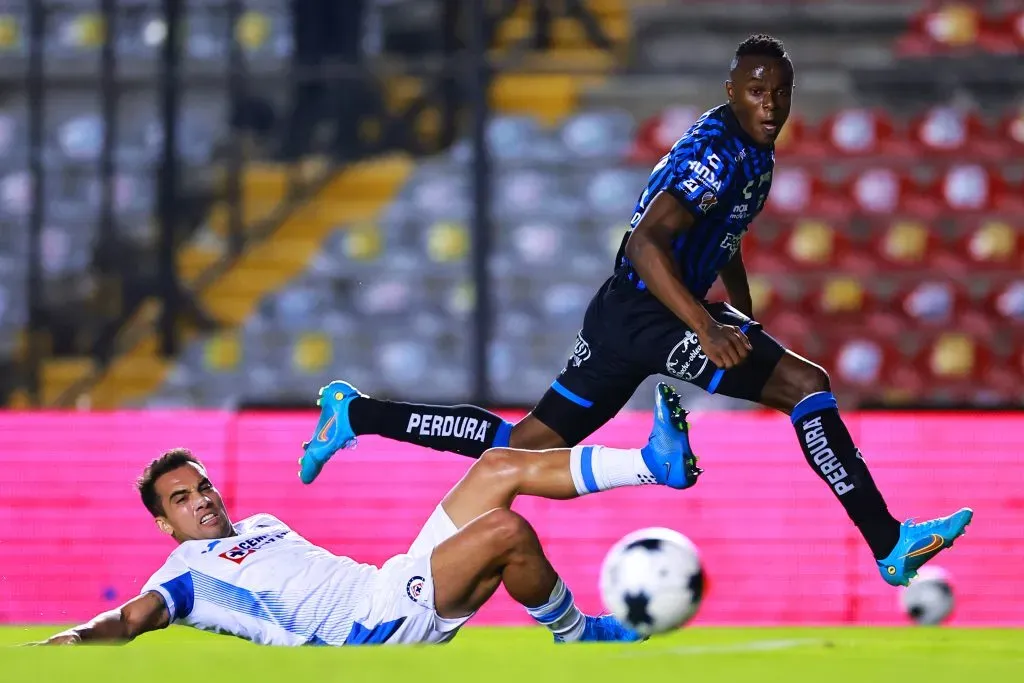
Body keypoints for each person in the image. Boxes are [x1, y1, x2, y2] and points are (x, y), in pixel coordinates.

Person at [297, 34, 972, 588]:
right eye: (757, 92)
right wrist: (706, 325)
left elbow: (722, 229)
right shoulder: (718, 154)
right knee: (805, 384)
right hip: (651, 310)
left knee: (522, 447)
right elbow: (647, 241)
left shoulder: (754, 153)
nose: (770, 105)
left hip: (624, 314)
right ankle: (889, 541)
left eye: (780, 93)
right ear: (732, 92)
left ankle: (355, 412)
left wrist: (736, 304)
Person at [32, 384, 701, 647]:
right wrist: (63, 644)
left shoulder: (260, 523)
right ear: (166, 525)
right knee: (506, 531)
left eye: (201, 485)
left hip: (389, 582)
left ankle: (653, 463)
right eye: (181, 499)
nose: (201, 499)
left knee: (498, 463)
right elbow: (130, 618)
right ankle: (578, 635)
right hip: (371, 627)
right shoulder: (184, 571)